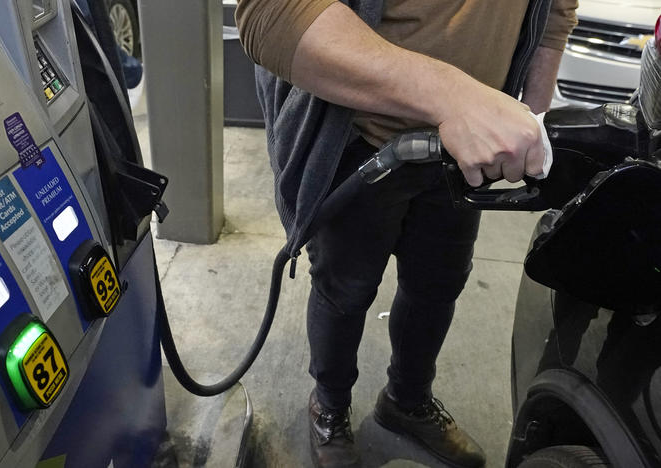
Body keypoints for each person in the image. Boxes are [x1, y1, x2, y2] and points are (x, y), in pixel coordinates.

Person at [235, 1, 577, 467]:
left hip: (461, 156)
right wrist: (454, 96)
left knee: (438, 285)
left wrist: (531, 124)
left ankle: (407, 400)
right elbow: (271, 14)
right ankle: (330, 405)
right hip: (361, 139)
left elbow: (554, 12)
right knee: (345, 291)